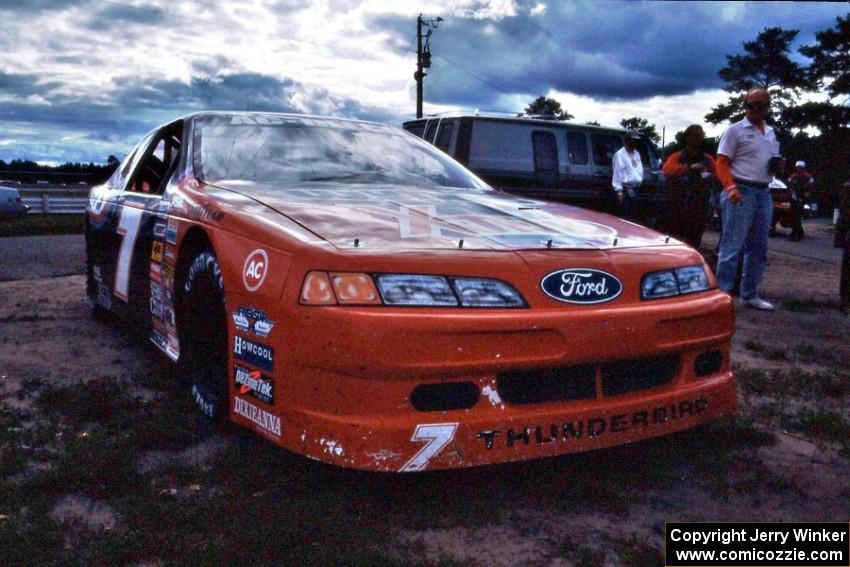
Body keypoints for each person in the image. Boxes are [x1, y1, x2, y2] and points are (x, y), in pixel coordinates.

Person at [714, 87, 782, 311]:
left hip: (763, 191)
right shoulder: (735, 131)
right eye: (751, 105)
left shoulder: (771, 133)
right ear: (745, 106)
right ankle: (722, 297)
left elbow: (768, 161)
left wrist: (778, 166)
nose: (755, 109)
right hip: (741, 190)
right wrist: (731, 187)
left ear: (767, 107)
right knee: (732, 246)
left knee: (758, 248)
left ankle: (750, 294)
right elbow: (722, 161)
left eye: (760, 105)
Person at [661, 124, 719, 249]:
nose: (698, 139)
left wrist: (707, 173)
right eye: (695, 136)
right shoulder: (677, 156)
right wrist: (689, 168)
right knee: (676, 240)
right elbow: (667, 170)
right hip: (678, 205)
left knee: (694, 241)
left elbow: (718, 175)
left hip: (699, 206)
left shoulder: (708, 159)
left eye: (701, 136)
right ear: (687, 138)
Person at [612, 131, 643, 220]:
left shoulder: (636, 153)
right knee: (624, 216)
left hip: (635, 189)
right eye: (633, 140)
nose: (635, 142)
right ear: (627, 140)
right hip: (624, 190)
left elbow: (638, 169)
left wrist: (639, 180)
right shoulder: (620, 154)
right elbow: (617, 173)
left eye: (636, 141)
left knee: (632, 216)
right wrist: (619, 191)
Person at [786, 160, 814, 241]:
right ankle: (800, 232)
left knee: (797, 216)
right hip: (794, 198)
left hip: (803, 199)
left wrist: (805, 194)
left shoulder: (808, 177)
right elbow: (789, 186)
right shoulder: (793, 176)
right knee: (794, 216)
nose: (799, 169)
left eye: (801, 168)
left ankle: (794, 234)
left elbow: (810, 187)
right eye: (798, 168)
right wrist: (792, 194)